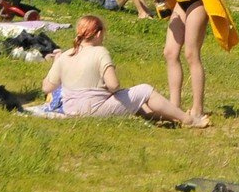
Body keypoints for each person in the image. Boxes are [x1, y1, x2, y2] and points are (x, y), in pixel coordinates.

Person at [43, 15, 192, 124]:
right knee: (144, 91)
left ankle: (170, 117)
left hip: (71, 109)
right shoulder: (100, 52)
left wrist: (55, 64)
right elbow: (113, 85)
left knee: (133, 101)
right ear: (99, 33)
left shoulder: (66, 55)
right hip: (93, 110)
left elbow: (47, 87)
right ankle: (188, 119)